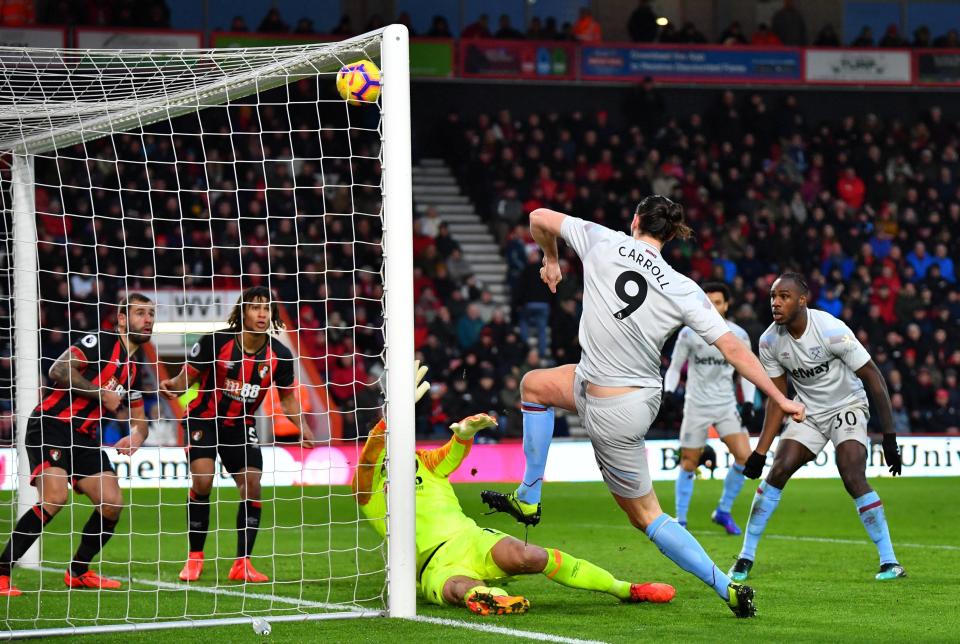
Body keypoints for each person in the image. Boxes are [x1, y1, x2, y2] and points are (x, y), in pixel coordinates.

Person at [482, 196, 806, 618]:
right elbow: (732, 348)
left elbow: (538, 217)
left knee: (647, 516)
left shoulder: (601, 239)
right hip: (625, 395)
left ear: (634, 220)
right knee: (536, 386)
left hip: (608, 406)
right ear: (670, 236)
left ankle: (726, 587)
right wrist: (779, 397)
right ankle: (528, 497)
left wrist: (551, 259)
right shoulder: (684, 287)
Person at [354, 364, 676, 615]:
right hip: (432, 565)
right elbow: (368, 461)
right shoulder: (367, 486)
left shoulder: (423, 462)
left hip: (471, 539)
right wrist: (390, 417)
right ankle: (489, 598)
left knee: (529, 556)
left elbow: (451, 454)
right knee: (457, 588)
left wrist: (465, 434)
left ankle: (626, 589)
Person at [730, 273, 905, 582]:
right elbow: (777, 398)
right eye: (773, 296)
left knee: (851, 473)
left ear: (802, 300)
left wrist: (889, 437)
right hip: (808, 411)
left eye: (784, 296)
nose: (776, 302)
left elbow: (874, 378)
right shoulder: (770, 341)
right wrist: (760, 451)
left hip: (847, 405)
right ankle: (745, 557)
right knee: (778, 470)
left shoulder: (831, 330)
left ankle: (890, 560)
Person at [0, 294, 155, 596]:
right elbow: (58, 370)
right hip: (52, 424)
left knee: (112, 503)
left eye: (151, 314)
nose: (147, 320)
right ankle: (2, 571)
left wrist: (136, 436)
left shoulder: (133, 368)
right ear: (122, 318)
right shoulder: (100, 341)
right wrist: (100, 393)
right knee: (55, 497)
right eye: (140, 313)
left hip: (85, 437)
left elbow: (140, 419)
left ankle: (79, 571)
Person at [160, 286, 315, 583]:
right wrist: (173, 385)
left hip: (242, 426)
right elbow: (186, 378)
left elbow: (286, 399)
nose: (261, 313)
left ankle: (242, 563)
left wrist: (303, 426)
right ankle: (195, 558)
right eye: (255, 307)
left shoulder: (280, 354)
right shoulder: (217, 341)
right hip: (203, 419)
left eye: (266, 308)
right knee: (203, 481)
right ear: (242, 311)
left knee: (253, 485)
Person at [663, 282, 756, 535]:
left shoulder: (738, 334)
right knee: (689, 462)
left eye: (718, 302)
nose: (713, 306)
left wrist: (748, 401)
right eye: (709, 301)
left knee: (745, 458)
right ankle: (680, 521)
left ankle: (723, 511)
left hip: (726, 405)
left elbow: (747, 372)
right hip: (696, 406)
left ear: (726, 305)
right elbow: (674, 367)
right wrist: (669, 392)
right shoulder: (689, 333)